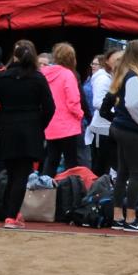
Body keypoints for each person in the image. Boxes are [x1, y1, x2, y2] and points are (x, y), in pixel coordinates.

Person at [0, 40, 55, 227]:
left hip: (7, 127)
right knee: (22, 174)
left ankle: (11, 211)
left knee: (11, 173)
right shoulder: (37, 78)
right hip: (30, 129)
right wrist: (39, 125)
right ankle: (11, 215)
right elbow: (50, 107)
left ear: (14, 56)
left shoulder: (1, 78)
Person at [105, 40, 138, 232]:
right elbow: (133, 104)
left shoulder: (126, 73)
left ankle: (118, 216)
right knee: (136, 173)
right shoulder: (134, 76)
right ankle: (131, 218)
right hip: (130, 129)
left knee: (123, 172)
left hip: (120, 128)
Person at [40, 43, 84, 177]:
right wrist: (80, 114)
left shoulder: (43, 74)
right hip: (68, 125)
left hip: (50, 124)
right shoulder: (68, 74)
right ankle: (71, 192)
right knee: (71, 163)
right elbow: (73, 101)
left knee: (52, 160)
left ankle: (45, 189)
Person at [86, 46, 121, 178]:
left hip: (110, 127)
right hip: (102, 128)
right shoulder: (103, 79)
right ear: (107, 61)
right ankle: (96, 195)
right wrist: (116, 111)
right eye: (116, 59)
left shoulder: (114, 77)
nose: (119, 62)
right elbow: (97, 103)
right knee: (101, 168)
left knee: (109, 166)